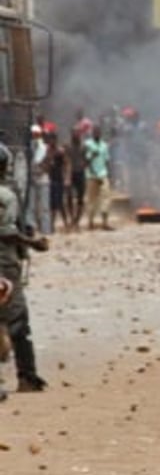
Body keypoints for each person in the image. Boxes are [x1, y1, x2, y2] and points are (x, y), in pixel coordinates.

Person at [0, 144, 51, 395]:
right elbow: (7, 232)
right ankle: (27, 376)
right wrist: (33, 243)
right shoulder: (6, 196)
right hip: (5, 266)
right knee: (18, 318)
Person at [82, 128, 113, 231]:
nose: (97, 134)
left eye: (98, 132)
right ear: (92, 134)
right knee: (91, 199)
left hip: (103, 174)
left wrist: (109, 174)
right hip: (91, 175)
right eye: (95, 132)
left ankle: (105, 222)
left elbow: (107, 160)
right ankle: (90, 222)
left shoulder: (104, 145)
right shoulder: (87, 144)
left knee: (106, 197)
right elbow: (86, 161)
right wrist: (92, 156)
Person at [45, 130, 70, 234]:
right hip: (50, 179)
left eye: (53, 139)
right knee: (52, 204)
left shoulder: (60, 151)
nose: (52, 141)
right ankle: (52, 226)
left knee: (60, 203)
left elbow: (66, 164)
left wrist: (66, 178)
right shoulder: (47, 151)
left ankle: (65, 224)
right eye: (50, 139)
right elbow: (45, 164)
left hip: (58, 179)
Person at [30, 125, 50, 234]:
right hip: (32, 178)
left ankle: (45, 230)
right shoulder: (29, 146)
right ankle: (32, 228)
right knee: (32, 206)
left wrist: (42, 169)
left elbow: (47, 161)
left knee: (44, 207)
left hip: (43, 178)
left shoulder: (44, 147)